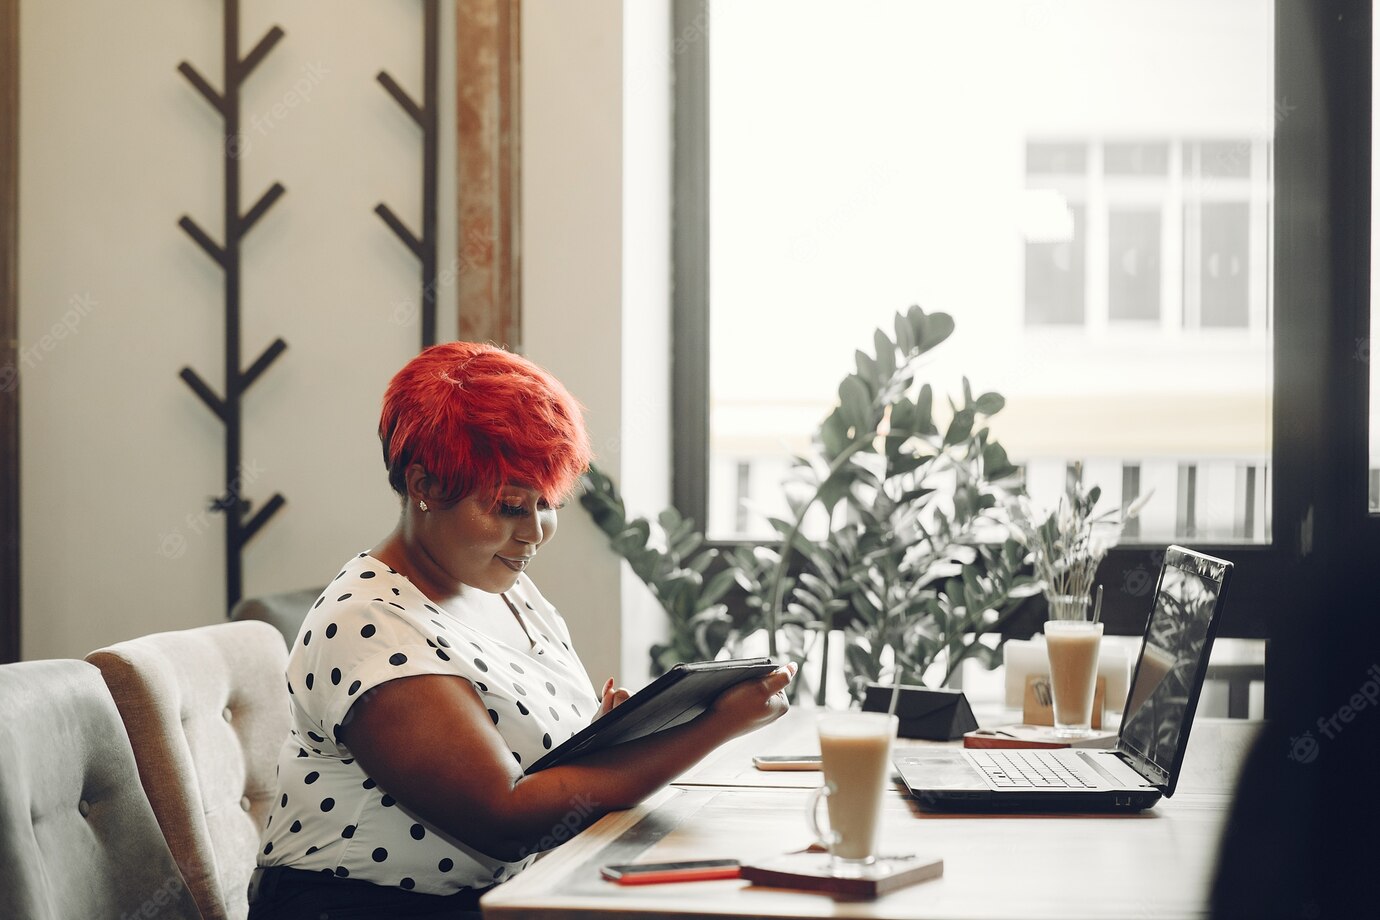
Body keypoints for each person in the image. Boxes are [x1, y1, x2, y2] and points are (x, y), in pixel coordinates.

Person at [247, 342, 795, 919]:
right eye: (509, 507)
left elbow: (530, 770)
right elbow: (504, 820)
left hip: (517, 893)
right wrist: (715, 726)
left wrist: (607, 735)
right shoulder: (366, 622)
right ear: (425, 487)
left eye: (546, 503)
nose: (534, 532)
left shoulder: (502, 585)